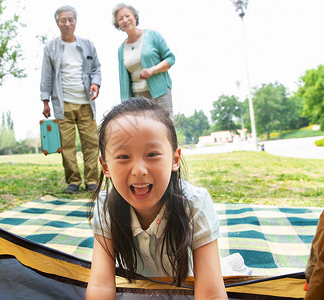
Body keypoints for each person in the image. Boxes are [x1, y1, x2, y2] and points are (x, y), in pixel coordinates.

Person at [86, 98, 227, 299]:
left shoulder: (195, 204)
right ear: (106, 166)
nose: (139, 170)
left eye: (152, 154)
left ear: (175, 159)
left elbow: (211, 294)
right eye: (124, 157)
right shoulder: (106, 207)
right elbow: (100, 286)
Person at [40, 5, 102, 194]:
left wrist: (96, 84)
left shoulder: (88, 45)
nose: (67, 23)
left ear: (76, 21)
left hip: (86, 103)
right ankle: (73, 181)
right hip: (62, 103)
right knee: (67, 145)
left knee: (91, 143)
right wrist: (45, 101)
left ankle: (92, 180)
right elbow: (46, 75)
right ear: (57, 23)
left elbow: (96, 69)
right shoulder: (51, 47)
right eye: (63, 20)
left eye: (70, 19)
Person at [113, 3, 176, 118]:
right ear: (118, 24)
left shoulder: (152, 35)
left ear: (135, 17)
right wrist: (125, 104)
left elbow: (170, 58)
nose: (125, 20)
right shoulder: (121, 49)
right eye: (120, 19)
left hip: (159, 92)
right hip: (138, 97)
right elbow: (123, 80)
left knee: (166, 127)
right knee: (142, 131)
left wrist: (152, 70)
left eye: (127, 16)